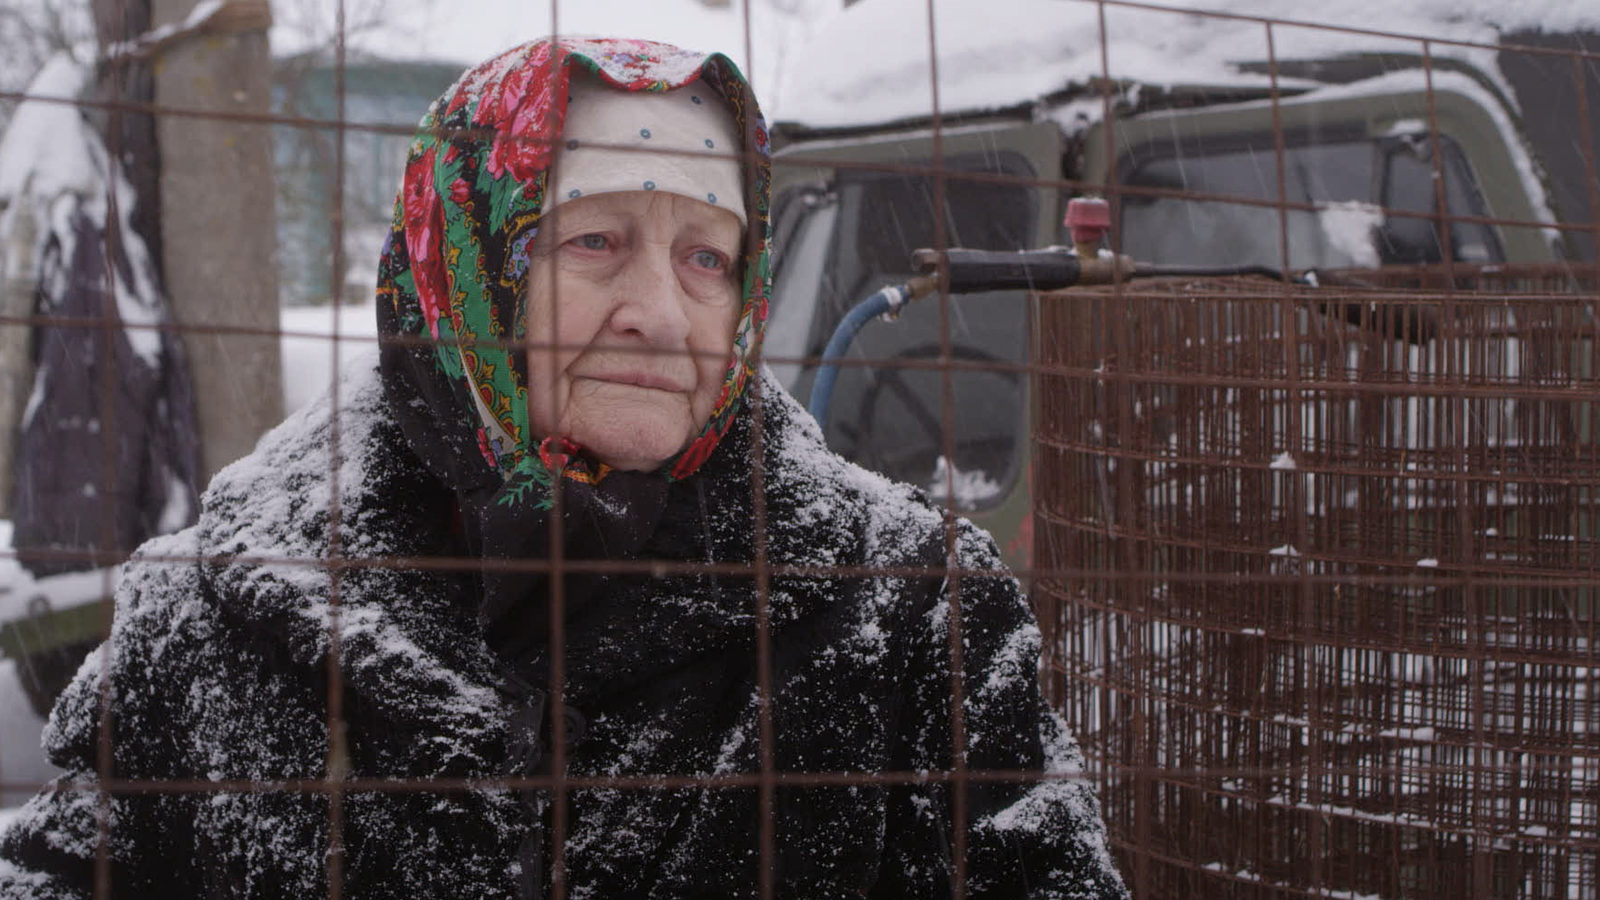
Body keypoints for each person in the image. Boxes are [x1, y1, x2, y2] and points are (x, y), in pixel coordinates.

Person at [0, 37, 1128, 899]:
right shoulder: (219, 610)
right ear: (464, 261)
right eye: (593, 240)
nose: (662, 314)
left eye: (706, 258)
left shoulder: (913, 610)